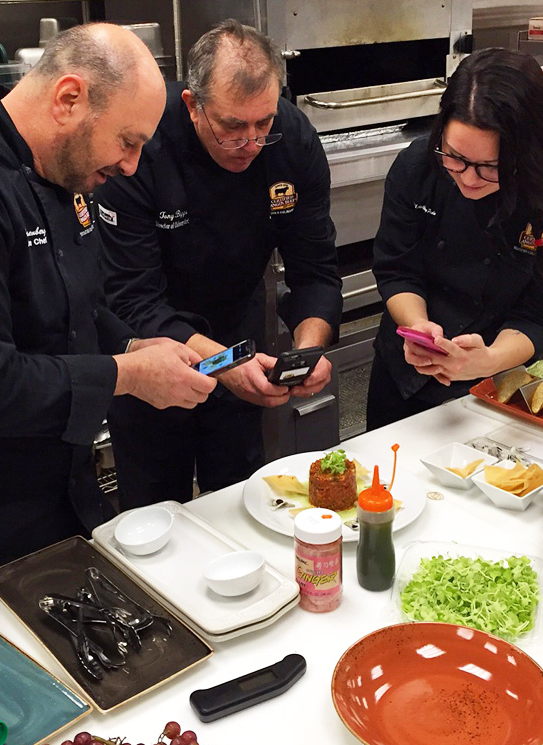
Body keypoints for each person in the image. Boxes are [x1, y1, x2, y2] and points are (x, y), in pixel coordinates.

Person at [0, 24, 217, 602]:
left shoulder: (62, 171)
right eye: (127, 142)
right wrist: (126, 376)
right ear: (68, 100)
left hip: (55, 499)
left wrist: (134, 345)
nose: (132, 166)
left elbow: (74, 304)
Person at [96, 19, 342, 507]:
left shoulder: (291, 141)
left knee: (236, 499)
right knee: (154, 508)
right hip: (149, 352)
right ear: (192, 104)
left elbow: (315, 268)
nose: (250, 143)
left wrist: (307, 353)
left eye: (263, 124)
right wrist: (221, 361)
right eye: (232, 126)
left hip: (238, 336)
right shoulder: (141, 143)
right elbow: (131, 296)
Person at [366, 47, 543, 430]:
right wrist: (419, 327)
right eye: (455, 157)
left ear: (530, 155)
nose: (468, 178)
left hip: (507, 383)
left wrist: (489, 359)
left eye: (491, 167)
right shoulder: (417, 168)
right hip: (406, 375)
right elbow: (398, 270)